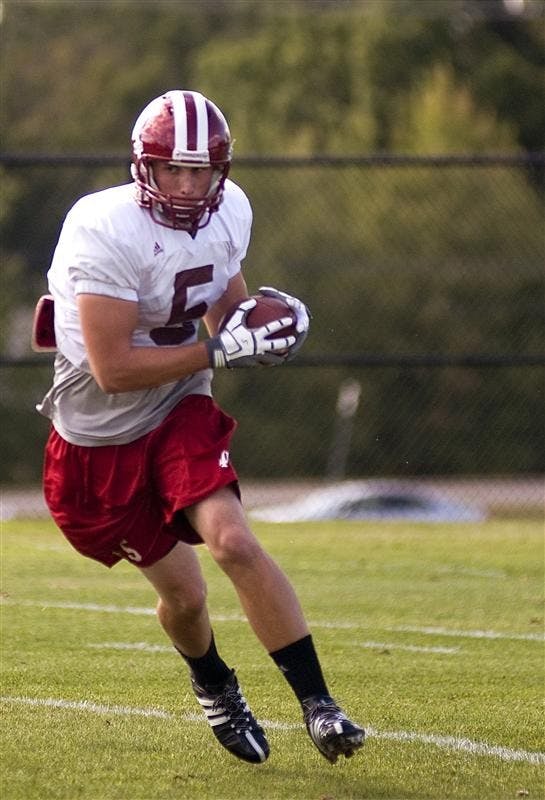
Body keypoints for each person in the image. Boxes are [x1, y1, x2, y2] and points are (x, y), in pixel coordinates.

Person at [37, 90, 365, 765]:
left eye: (202, 172)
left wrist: (258, 327)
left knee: (234, 541)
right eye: (172, 171)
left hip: (181, 403)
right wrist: (221, 348)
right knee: (184, 599)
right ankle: (214, 681)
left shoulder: (231, 209)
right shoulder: (102, 228)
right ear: (142, 168)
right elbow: (114, 370)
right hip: (97, 440)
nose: (188, 187)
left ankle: (319, 707)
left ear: (222, 170)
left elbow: (226, 304)